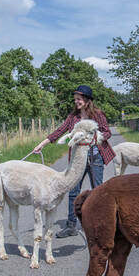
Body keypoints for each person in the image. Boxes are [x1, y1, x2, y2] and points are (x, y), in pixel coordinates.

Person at [33, 85, 115, 238]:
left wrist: (95, 138)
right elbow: (60, 130)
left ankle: (100, 224)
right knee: (73, 191)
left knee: (97, 190)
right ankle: (71, 225)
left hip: (95, 157)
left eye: (79, 99)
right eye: (75, 99)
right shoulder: (73, 117)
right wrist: (42, 144)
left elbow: (107, 132)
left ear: (87, 100)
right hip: (77, 160)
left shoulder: (97, 115)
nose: (76, 102)